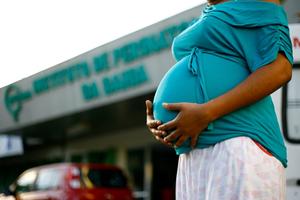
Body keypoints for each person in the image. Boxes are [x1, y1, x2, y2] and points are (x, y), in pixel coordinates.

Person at [146, 0, 293, 199]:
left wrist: (207, 112)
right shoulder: (211, 12)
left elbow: (280, 70)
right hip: (194, 155)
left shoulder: (257, 3)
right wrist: (165, 124)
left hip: (238, 144)